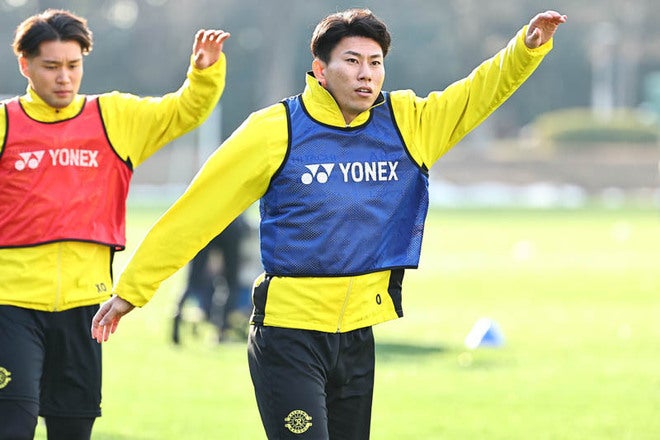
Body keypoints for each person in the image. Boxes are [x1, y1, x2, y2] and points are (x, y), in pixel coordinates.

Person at [92, 8, 566, 439]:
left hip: (359, 335)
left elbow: (475, 95)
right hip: (288, 336)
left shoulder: (409, 123)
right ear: (320, 70)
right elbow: (198, 211)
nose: (366, 74)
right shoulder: (275, 128)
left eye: (375, 62)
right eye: (352, 61)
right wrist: (133, 289)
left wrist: (525, 49)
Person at [0, 9, 230, 440]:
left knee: (73, 429)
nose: (64, 78)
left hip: (86, 306)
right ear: (25, 65)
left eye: (73, 65)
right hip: (9, 305)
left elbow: (182, 111)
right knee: (12, 425)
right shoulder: (5, 122)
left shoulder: (114, 116)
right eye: (51, 67)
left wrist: (203, 74)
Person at [172, 214, 251, 344]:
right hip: (230, 221)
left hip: (205, 221)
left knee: (192, 281)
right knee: (230, 283)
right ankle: (222, 332)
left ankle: (176, 320)